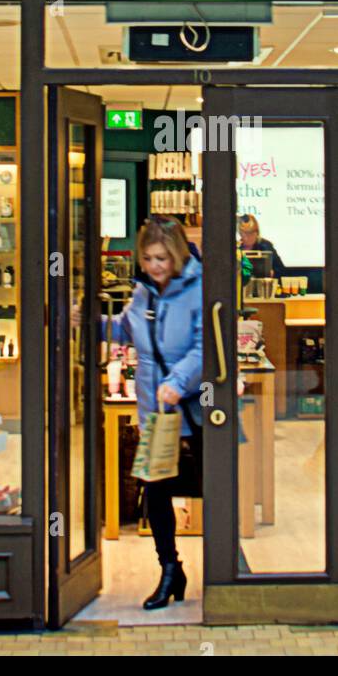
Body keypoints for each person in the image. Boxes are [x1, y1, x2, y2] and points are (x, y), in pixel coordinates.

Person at [112, 217, 204, 610]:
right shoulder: (143, 292)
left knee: (211, 487)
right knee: (156, 492)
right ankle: (170, 569)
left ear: (178, 255)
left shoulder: (198, 290)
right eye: (148, 258)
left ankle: (226, 574)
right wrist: (93, 324)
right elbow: (126, 330)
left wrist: (178, 381)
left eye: (162, 258)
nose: (155, 266)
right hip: (156, 415)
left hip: (194, 411)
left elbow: (206, 347)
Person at [237, 213, 286, 278]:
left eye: (249, 234)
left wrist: (273, 273)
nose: (246, 238)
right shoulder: (237, 248)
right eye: (243, 234)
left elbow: (281, 270)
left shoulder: (266, 246)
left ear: (257, 233)